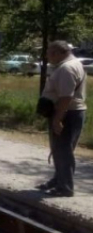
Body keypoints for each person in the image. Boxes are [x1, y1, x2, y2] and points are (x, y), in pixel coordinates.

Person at [38, 41, 87, 197]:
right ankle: (58, 180)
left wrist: (58, 119)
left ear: (58, 53)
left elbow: (66, 97)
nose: (47, 57)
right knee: (59, 149)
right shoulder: (71, 64)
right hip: (69, 112)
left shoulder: (67, 68)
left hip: (67, 113)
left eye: (49, 53)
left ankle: (65, 187)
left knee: (63, 151)